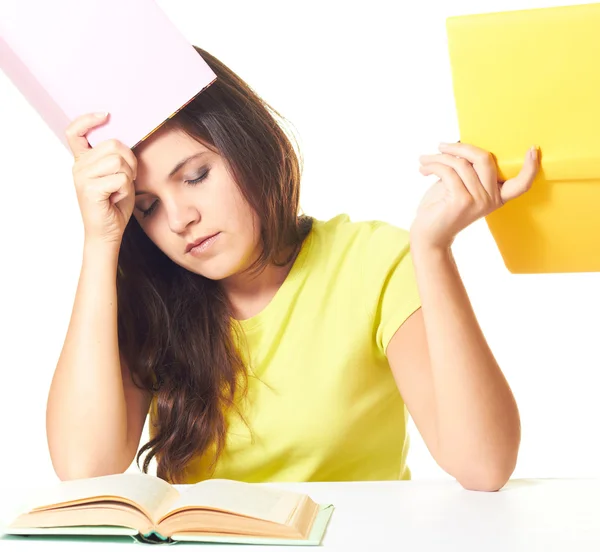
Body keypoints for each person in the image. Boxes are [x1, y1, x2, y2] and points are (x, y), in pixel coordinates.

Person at [46, 46, 539, 491]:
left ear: (247, 147)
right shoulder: (153, 297)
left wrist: (433, 250)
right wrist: (100, 240)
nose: (179, 220)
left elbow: (483, 465)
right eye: (148, 207)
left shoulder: (373, 264)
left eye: (196, 176)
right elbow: (85, 470)